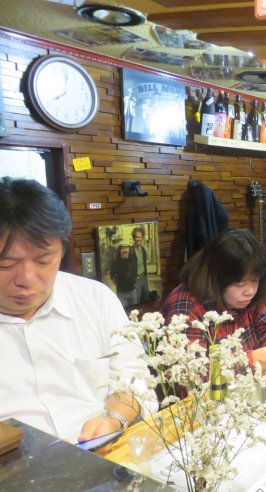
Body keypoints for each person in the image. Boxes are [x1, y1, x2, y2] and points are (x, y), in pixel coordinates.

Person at [0, 177, 155, 443]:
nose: (26, 278)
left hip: (102, 452)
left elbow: (135, 379)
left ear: (62, 249)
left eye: (43, 260)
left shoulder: (95, 299)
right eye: (5, 264)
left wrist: (114, 419)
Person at [161, 229, 266, 379]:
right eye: (240, 283)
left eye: (255, 281)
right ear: (216, 278)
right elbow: (191, 376)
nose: (250, 291)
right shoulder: (186, 309)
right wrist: (249, 361)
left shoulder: (244, 299)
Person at [131, 225, 149, 303]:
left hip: (144, 277)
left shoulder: (143, 250)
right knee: (137, 300)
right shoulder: (131, 250)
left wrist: (146, 276)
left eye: (140, 237)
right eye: (136, 237)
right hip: (136, 278)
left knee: (146, 298)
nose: (138, 239)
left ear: (142, 238)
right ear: (134, 238)